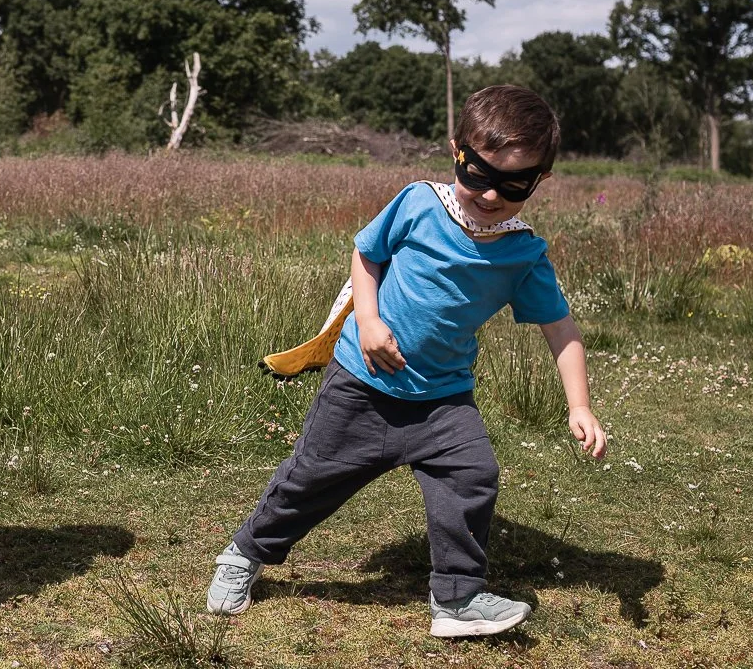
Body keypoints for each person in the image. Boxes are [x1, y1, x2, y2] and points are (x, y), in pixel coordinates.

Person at [207, 86, 607, 638]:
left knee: (473, 475)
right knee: (310, 480)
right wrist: (368, 323)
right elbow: (367, 255)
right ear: (456, 153)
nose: (490, 195)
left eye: (513, 184)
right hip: (363, 381)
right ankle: (243, 554)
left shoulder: (523, 252)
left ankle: (458, 599)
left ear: (540, 180)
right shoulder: (419, 203)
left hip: (444, 398)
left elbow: (560, 327)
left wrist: (579, 405)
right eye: (478, 174)